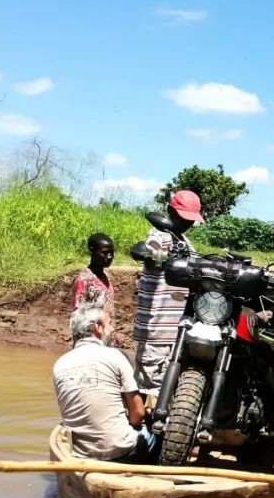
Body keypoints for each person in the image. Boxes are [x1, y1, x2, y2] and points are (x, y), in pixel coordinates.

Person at [53, 301, 155, 462]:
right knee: (160, 433)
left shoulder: (60, 364)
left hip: (81, 454)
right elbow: (138, 414)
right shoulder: (115, 356)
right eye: (109, 324)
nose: (113, 329)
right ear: (97, 327)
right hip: (122, 450)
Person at [132, 191, 204, 395]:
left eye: (191, 220)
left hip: (179, 333)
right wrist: (153, 256)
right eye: (184, 218)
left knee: (171, 391)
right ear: (170, 211)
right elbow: (148, 254)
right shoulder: (159, 235)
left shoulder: (187, 244)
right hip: (156, 333)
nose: (187, 223)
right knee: (150, 391)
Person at [73, 233, 115, 312]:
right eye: (105, 253)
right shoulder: (84, 280)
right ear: (92, 251)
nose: (110, 257)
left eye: (112, 253)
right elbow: (78, 315)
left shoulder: (104, 276)